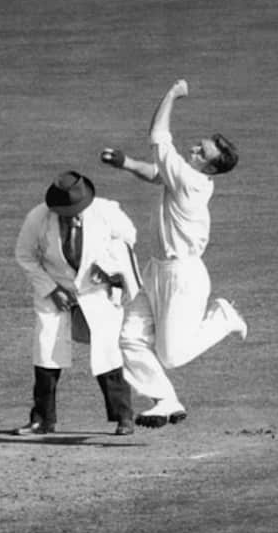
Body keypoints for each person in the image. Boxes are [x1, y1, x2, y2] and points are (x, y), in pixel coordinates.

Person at [100, 78, 247, 428]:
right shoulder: (184, 176)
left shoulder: (193, 180)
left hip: (183, 277)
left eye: (201, 153)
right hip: (156, 270)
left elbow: (158, 137)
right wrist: (125, 163)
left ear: (210, 168)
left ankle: (223, 317)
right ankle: (165, 399)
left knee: (171, 354)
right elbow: (156, 174)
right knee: (128, 339)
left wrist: (172, 94)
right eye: (198, 146)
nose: (193, 150)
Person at [13, 170, 141, 436]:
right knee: (46, 347)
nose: (70, 216)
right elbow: (24, 255)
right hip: (55, 287)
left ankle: (123, 416)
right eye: (64, 211)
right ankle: (42, 419)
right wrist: (51, 288)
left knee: (106, 349)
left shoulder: (107, 211)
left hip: (97, 289)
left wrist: (107, 266)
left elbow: (129, 238)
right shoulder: (38, 217)